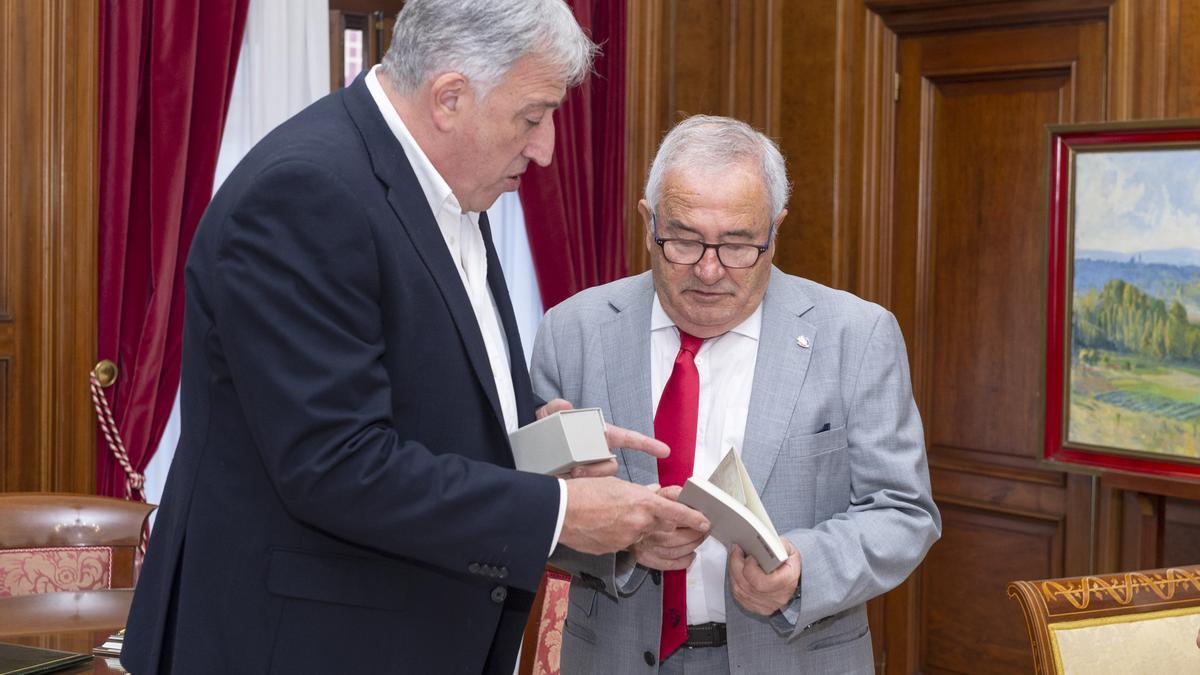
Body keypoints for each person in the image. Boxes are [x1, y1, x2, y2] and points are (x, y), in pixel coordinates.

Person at [120, 1, 708, 673]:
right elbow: (336, 463)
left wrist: (544, 445)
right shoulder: (306, 193)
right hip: (300, 645)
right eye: (533, 116)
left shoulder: (451, 185)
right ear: (450, 97)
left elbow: (421, 399)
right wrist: (560, 510)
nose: (546, 147)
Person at [531, 115, 942, 674]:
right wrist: (621, 544)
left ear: (775, 230)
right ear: (648, 222)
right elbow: (531, 508)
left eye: (738, 244)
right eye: (683, 240)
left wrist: (803, 570)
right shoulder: (572, 332)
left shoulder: (857, 335)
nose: (708, 270)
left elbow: (904, 511)